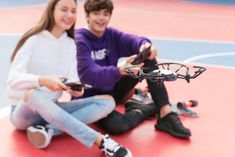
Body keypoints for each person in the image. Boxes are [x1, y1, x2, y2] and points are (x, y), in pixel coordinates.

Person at [6, 0, 132, 156]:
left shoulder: (71, 44)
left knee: (108, 102)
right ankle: (101, 141)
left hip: (52, 110)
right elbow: (13, 78)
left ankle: (48, 130)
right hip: (24, 113)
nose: (69, 15)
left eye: (73, 11)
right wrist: (44, 81)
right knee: (33, 94)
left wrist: (76, 88)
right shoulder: (33, 39)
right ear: (52, 10)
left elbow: (73, 77)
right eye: (64, 9)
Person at [75, 0, 191, 138]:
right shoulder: (80, 39)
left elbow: (133, 40)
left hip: (112, 91)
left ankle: (165, 113)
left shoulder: (111, 35)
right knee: (118, 126)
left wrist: (144, 46)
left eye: (105, 14)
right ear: (87, 16)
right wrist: (119, 71)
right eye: (96, 13)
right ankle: (141, 110)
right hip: (91, 99)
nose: (101, 18)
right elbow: (90, 74)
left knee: (147, 58)